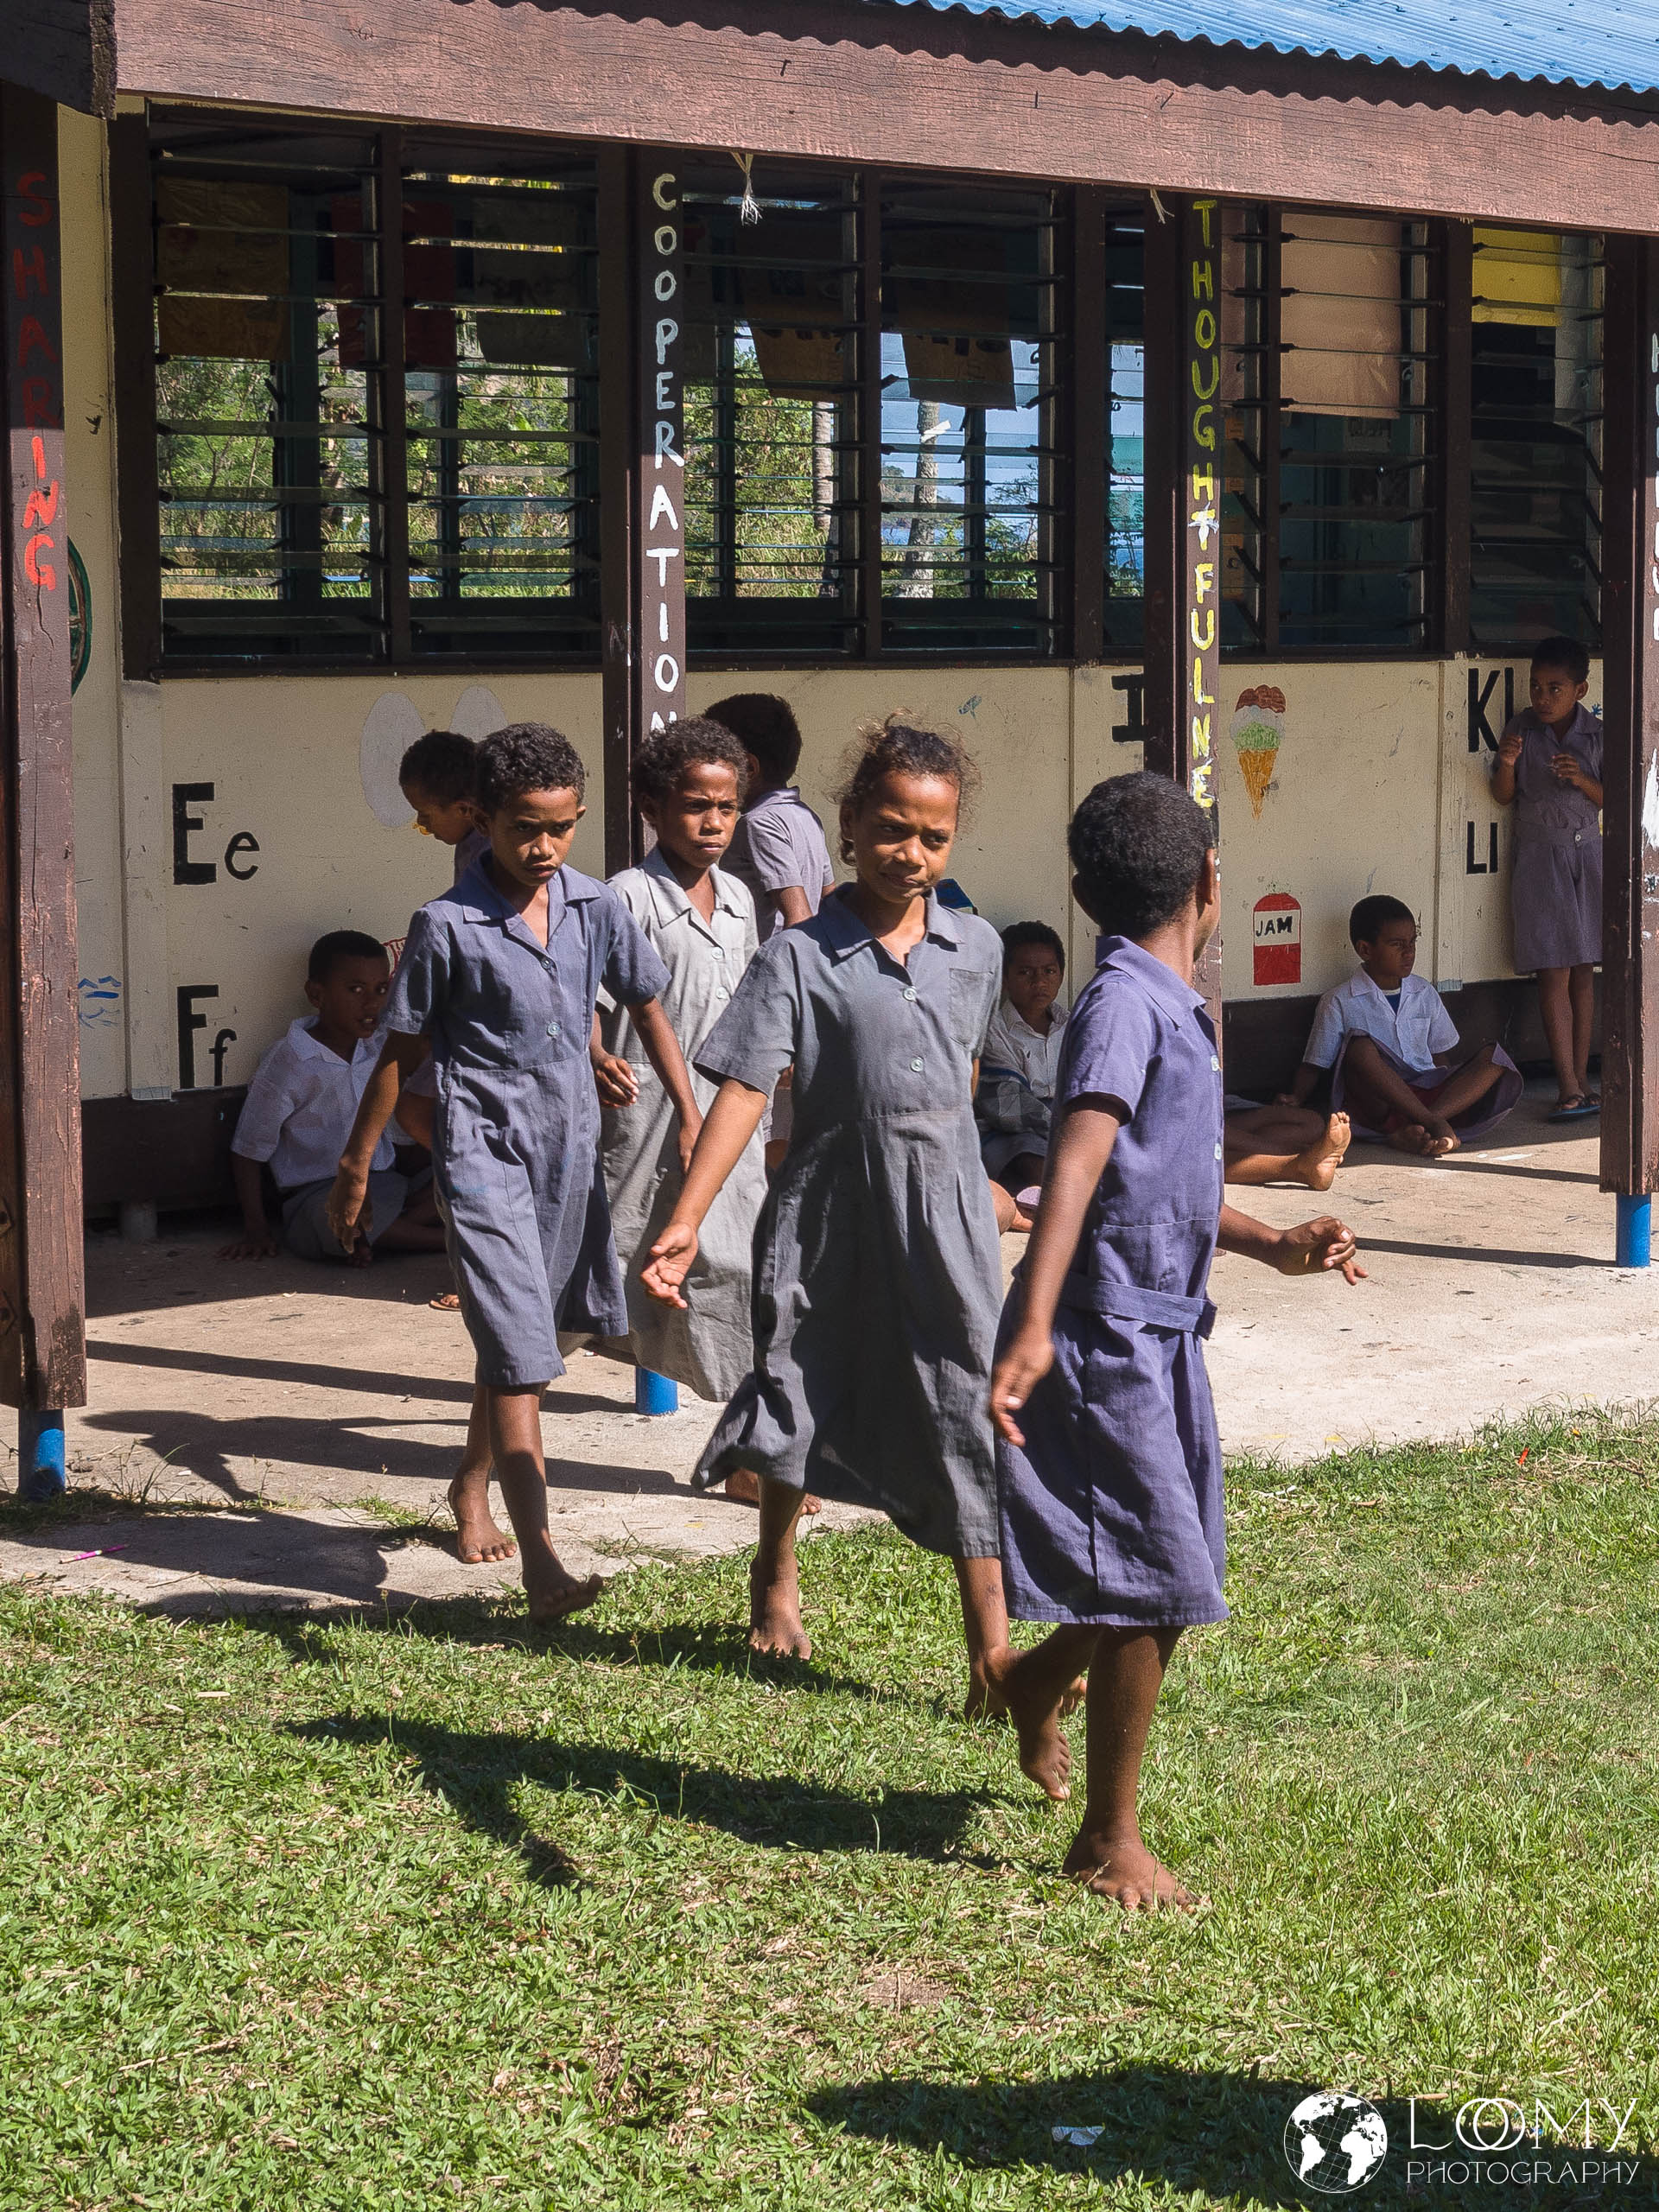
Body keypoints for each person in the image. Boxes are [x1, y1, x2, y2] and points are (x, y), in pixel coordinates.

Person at [641, 712, 1081, 1726]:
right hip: (827, 1216)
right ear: (847, 825)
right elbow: (747, 1091)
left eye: (932, 837)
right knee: (804, 1384)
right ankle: (776, 1568)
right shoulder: (800, 954)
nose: (910, 855)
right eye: (891, 829)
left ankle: (992, 1654)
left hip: (946, 1225)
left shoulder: (976, 947)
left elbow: (962, 1079)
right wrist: (686, 1217)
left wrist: (967, 1182)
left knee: (969, 1406)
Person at [988, 772, 1364, 1910]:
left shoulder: (1174, 1007)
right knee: (1163, 1576)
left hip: (1164, 1330)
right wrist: (1040, 1319)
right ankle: (1108, 1838)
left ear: (1084, 891)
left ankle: (1035, 1676)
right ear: (1211, 880)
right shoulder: (1122, 1007)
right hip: (1104, 1333)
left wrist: (1269, 1242)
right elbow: (1079, 1166)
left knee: (1163, 1566)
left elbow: (1171, 1185)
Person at [326, 723, 702, 1619]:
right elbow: (399, 1050)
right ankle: (542, 1560)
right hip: (480, 1150)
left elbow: (643, 1000)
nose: (543, 847)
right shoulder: (446, 925)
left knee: (525, 1338)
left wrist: (687, 1110)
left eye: (562, 828)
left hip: (569, 1148)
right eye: (524, 828)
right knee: (521, 1349)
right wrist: (356, 1163)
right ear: (482, 820)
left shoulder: (593, 906)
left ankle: (469, 1480)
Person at [596, 718, 817, 1516]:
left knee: (743, 1278)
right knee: (600, 1284)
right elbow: (591, 996)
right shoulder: (625, 896)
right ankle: (492, 1452)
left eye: (727, 808)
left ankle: (751, 1451)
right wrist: (597, 1054)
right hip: (645, 1128)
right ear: (655, 807)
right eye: (696, 807)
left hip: (728, 1126)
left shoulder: (738, 897)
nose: (715, 824)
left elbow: (750, 1009)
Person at [220, 931, 447, 1266]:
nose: (371, 1004)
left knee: (456, 1175)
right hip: (317, 1194)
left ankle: (378, 1236)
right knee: (327, 1221)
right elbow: (247, 1150)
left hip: (384, 1184)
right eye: (355, 990)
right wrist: (256, 1229)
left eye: (381, 990)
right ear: (316, 994)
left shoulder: (381, 1048)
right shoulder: (289, 1062)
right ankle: (444, 1241)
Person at [1279, 894, 1522, 1158]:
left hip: (1427, 1096)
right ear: (1365, 950)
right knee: (1359, 1048)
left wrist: (1450, 1087)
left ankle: (1421, 1125)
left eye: (1412, 942)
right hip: (1379, 1103)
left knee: (1495, 1059)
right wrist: (1297, 1097)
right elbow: (1315, 1063)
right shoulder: (1339, 1000)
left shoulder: (1424, 992)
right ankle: (1433, 1126)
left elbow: (1439, 1055)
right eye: (1397, 944)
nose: (1409, 952)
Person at [706, 692, 836, 1168]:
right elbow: (830, 899)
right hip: (798, 989)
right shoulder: (805, 817)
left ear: (749, 768)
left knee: (755, 1126)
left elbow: (798, 916)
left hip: (766, 990)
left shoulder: (759, 823)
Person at [1491, 636, 1604, 1120]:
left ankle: (1581, 1081)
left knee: (1584, 971)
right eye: (1537, 687)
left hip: (1588, 855)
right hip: (1540, 857)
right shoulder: (1522, 729)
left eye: (1554, 688)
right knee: (1552, 970)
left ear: (1580, 689)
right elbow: (1501, 795)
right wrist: (1510, 763)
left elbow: (1613, 798)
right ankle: (1567, 1086)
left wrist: (1580, 778)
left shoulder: (1597, 736)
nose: (1542, 698)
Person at [977, 921, 1069, 1210]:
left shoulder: (1075, 1025)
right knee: (1029, 1156)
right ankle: (1058, 1202)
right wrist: (1060, 1126)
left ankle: (1052, 1199)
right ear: (1004, 979)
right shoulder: (994, 1029)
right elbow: (1006, 1105)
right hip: (1015, 1130)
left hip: (1067, 1121)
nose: (1039, 982)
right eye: (1025, 972)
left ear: (1061, 975)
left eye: (1049, 971)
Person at [399, 728, 489, 881]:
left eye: (424, 814)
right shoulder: (470, 840)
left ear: (464, 809)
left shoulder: (494, 859)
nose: (420, 821)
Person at [1222, 1101, 1351, 1191]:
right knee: (1207, 1156)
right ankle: (1301, 1165)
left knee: (1312, 1124)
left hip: (1221, 1110)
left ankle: (1309, 1155)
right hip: (1205, 1129)